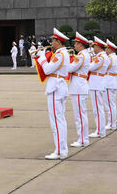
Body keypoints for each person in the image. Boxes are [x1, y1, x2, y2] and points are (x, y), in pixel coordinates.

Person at [38, 28, 70, 159]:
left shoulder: (60, 55)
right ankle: (62, 149)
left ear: (58, 42)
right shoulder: (63, 53)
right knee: (60, 119)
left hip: (56, 88)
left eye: (53, 40)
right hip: (59, 87)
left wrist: (42, 58)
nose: (52, 43)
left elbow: (47, 69)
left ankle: (59, 151)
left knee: (56, 121)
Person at [67, 32, 91, 148]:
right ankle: (83, 138)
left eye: (76, 43)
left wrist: (66, 61)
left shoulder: (81, 56)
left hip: (78, 87)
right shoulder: (84, 54)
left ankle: (82, 140)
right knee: (81, 114)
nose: (74, 45)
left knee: (80, 115)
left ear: (80, 44)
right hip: (79, 86)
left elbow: (70, 68)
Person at [88, 36, 108, 139]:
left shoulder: (100, 57)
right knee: (98, 108)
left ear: (98, 47)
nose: (93, 48)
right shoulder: (102, 56)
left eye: (94, 46)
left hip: (96, 83)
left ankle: (100, 131)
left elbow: (90, 67)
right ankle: (100, 130)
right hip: (98, 82)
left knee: (97, 109)